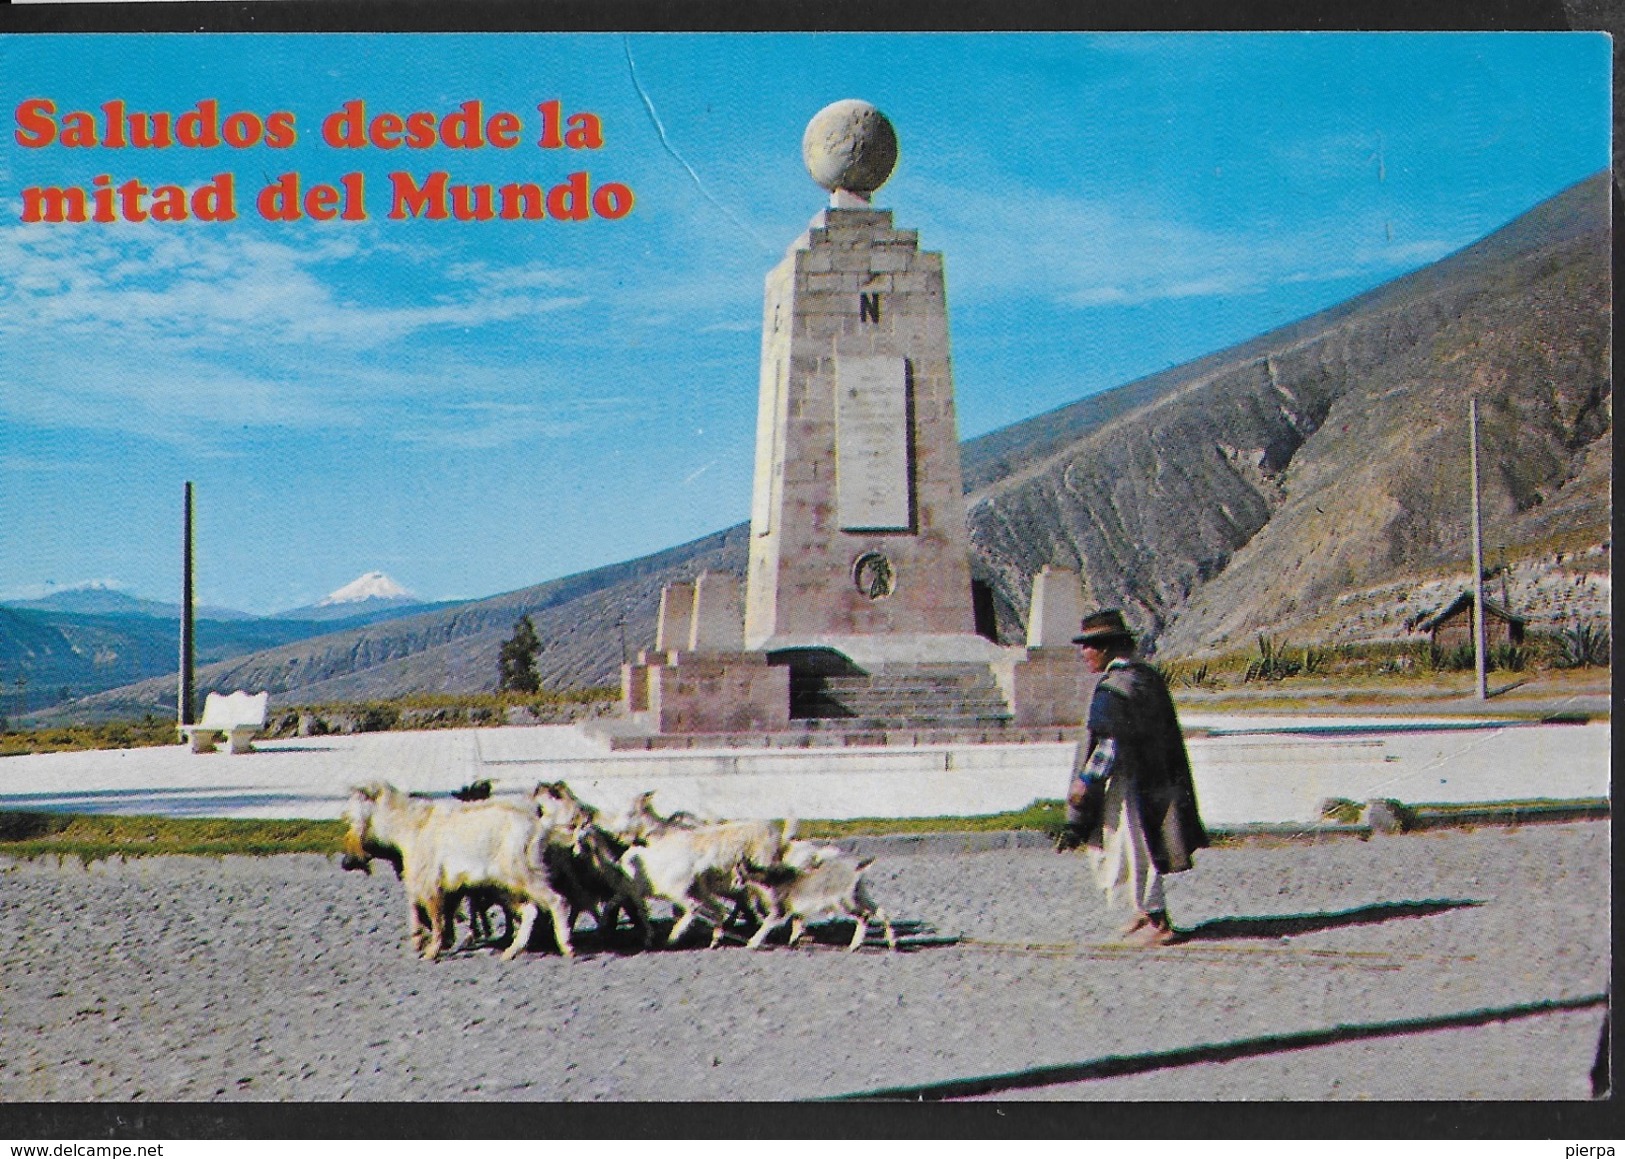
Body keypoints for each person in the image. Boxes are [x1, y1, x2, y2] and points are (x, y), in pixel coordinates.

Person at [1055, 609, 1208, 946]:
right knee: (1126, 846)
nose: (1084, 654)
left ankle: (1159, 921)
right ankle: (1143, 911)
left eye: (1088, 647)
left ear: (1106, 647)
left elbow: (1111, 742)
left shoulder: (1117, 687)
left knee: (1139, 848)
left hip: (1135, 785)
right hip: (1149, 778)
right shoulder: (1145, 678)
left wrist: (1086, 781)